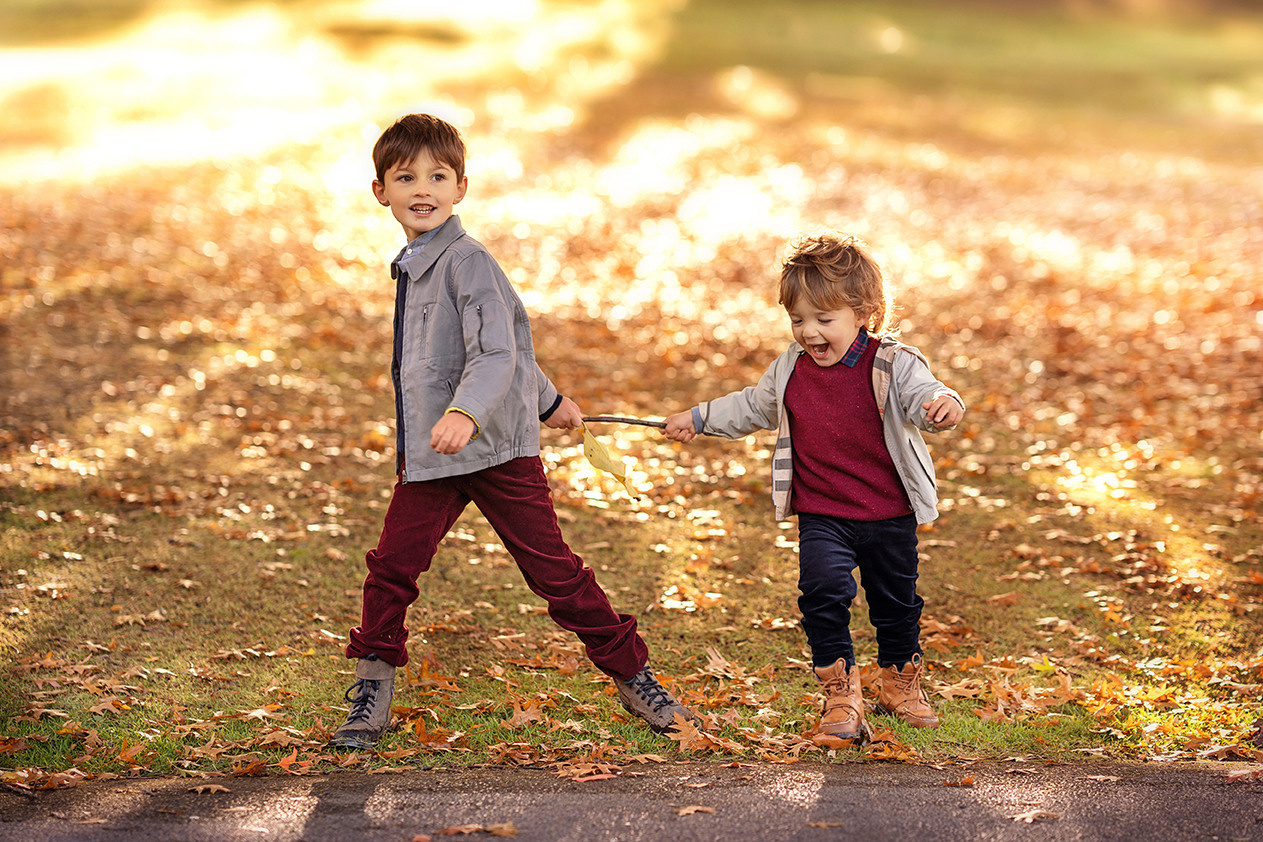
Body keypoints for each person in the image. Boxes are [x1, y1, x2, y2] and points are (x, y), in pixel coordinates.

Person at [330, 113, 697, 750]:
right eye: (406, 176)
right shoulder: (416, 263)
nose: (423, 188)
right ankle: (371, 688)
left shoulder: (468, 262)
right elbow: (503, 349)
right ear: (380, 190)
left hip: (495, 450)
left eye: (437, 176)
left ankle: (635, 675)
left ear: (461, 188)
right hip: (434, 456)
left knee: (554, 574)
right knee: (391, 568)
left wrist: (466, 413)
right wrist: (552, 400)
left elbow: (497, 355)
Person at [663, 231, 964, 741]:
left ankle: (898, 681)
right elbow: (752, 406)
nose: (809, 332)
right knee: (822, 593)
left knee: (896, 603)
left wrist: (945, 404)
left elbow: (925, 396)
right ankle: (841, 694)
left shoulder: (893, 363)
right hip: (824, 513)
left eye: (824, 320)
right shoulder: (791, 368)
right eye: (798, 320)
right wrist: (698, 418)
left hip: (889, 514)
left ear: (863, 313)